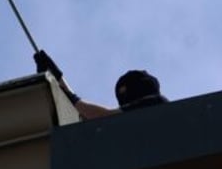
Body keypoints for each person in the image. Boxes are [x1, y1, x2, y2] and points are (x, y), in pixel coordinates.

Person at [34, 50, 168, 120]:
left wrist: (69, 96)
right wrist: (58, 77)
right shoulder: (132, 126)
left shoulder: (156, 104)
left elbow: (101, 116)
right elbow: (86, 114)